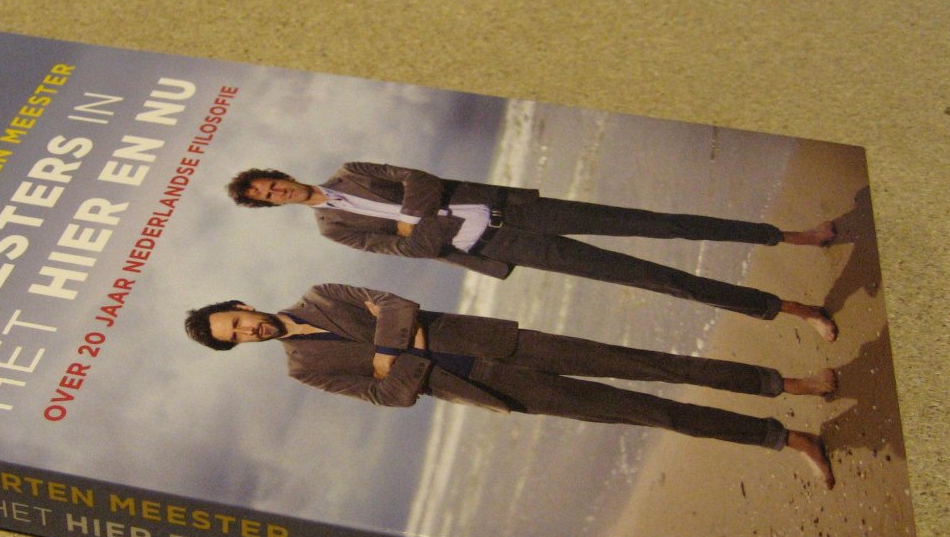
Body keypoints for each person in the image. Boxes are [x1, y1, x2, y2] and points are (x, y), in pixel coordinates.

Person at [184, 283, 837, 486]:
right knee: (652, 413)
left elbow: (397, 304)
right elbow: (391, 396)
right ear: (237, 347)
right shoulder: (305, 369)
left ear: (241, 305)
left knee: (656, 365)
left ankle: (789, 383)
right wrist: (402, 348)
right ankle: (784, 437)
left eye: (236, 320)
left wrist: (390, 353)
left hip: (506, 343)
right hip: (495, 389)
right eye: (235, 338)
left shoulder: (324, 295)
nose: (247, 330)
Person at [226, 163, 839, 341]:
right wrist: (425, 222)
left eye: (272, 182)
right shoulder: (333, 229)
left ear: (281, 174)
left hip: (514, 209)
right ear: (272, 207)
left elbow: (421, 181)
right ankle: (792, 310)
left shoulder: (353, 172)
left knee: (661, 224)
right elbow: (411, 252)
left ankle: (791, 236)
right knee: (657, 279)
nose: (279, 192)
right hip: (500, 245)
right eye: (268, 197)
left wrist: (418, 221)